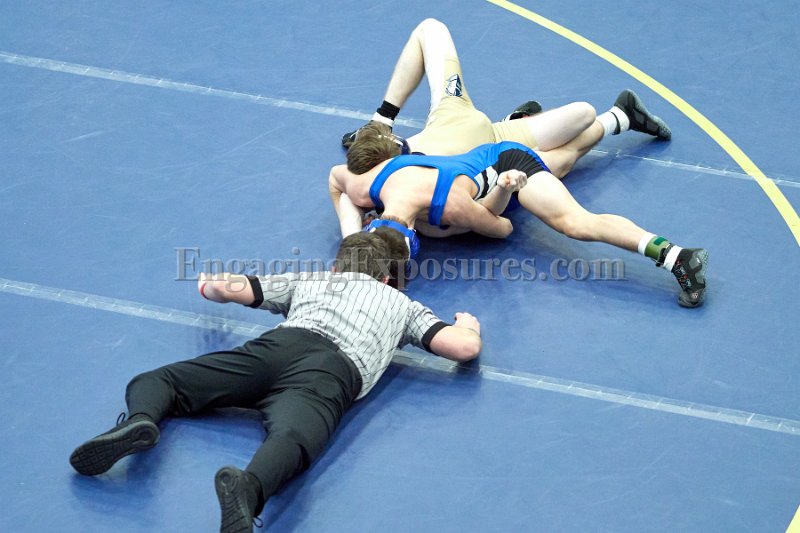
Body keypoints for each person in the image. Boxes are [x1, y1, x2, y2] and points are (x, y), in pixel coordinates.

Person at [68, 229, 482, 532]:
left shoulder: (313, 278)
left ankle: (141, 418)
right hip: (331, 374)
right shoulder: (403, 304)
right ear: (388, 279)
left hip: (276, 349)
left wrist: (209, 285)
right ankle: (248, 490)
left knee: (163, 379)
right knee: (294, 438)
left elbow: (228, 288)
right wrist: (469, 325)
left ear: (337, 267)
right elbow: (462, 348)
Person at [329, 128, 708, 308]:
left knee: (574, 223)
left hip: (507, 167)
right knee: (563, 161)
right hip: (472, 169)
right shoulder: (365, 185)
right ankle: (618, 118)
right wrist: (351, 236)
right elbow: (335, 179)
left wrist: (503, 191)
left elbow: (503, 229)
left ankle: (676, 256)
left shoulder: (452, 207)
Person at [341, 18, 671, 182]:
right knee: (558, 160)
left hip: (459, 118)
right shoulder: (420, 178)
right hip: (496, 149)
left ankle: (379, 120)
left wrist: (381, 124)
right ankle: (620, 116)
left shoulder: (407, 174)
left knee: (583, 113)